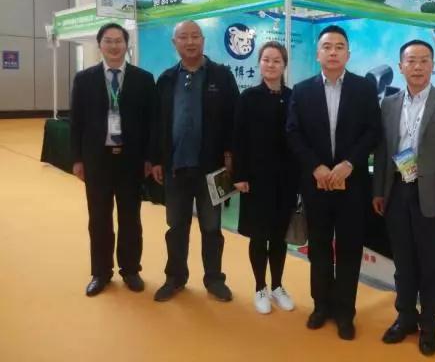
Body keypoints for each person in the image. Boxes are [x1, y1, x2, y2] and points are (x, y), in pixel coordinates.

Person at [372, 40, 435, 356]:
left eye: (424, 60)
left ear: (432, 65)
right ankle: (405, 318)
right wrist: (379, 191)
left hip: (433, 196)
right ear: (400, 66)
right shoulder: (389, 104)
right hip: (397, 191)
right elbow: (383, 151)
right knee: (403, 264)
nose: (417, 66)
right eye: (411, 61)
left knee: (431, 267)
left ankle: (429, 325)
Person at [286, 25, 381, 340]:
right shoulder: (302, 90)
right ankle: (321, 306)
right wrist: (315, 167)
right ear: (318, 54)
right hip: (316, 184)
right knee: (319, 247)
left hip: (352, 185)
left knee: (350, 249)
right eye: (327, 46)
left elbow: (373, 131)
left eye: (339, 46)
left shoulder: (364, 88)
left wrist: (349, 164)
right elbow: (293, 133)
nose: (333, 52)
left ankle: (345, 312)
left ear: (348, 54)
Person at [151, 20, 239, 303]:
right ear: (174, 43)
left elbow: (235, 120)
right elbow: (158, 124)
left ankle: (214, 279)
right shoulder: (166, 79)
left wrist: (231, 157)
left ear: (203, 40)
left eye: (195, 36)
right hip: (176, 168)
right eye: (183, 37)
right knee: (176, 227)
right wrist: (157, 160)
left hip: (214, 170)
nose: (190, 42)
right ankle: (175, 278)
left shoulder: (221, 76)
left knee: (212, 228)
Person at [70, 23, 156, 296]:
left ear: (127, 45)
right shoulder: (84, 79)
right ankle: (101, 272)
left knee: (131, 218)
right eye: (108, 41)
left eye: (119, 41)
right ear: (100, 45)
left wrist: (149, 158)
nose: (114, 46)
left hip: (131, 161)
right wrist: (77, 159)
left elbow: (152, 123)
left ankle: (130, 270)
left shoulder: (144, 79)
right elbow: (76, 122)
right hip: (97, 160)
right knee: (99, 219)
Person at [232, 41, 297, 315]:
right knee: (259, 236)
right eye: (266, 60)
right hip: (255, 179)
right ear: (259, 64)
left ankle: (278, 286)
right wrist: (239, 175)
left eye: (276, 60)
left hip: (286, 179)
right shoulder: (248, 97)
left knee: (280, 237)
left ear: (284, 65)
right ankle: (260, 287)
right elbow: (238, 139)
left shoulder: (294, 97)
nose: (271, 65)